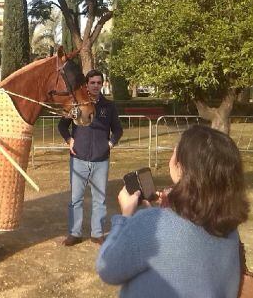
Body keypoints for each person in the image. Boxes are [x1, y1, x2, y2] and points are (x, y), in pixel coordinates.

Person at [96, 125, 250, 297]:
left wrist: (125, 216)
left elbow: (107, 268)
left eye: (176, 153)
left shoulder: (151, 224)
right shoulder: (229, 228)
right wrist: (164, 212)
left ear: (182, 168)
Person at [58, 69, 123, 246]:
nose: (95, 85)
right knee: (75, 199)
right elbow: (62, 126)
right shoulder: (76, 105)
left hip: (101, 161)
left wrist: (109, 144)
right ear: (86, 85)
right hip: (78, 159)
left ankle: (97, 233)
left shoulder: (109, 106)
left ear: (102, 85)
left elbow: (118, 130)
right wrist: (69, 140)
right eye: (92, 82)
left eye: (98, 83)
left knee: (99, 199)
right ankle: (74, 233)